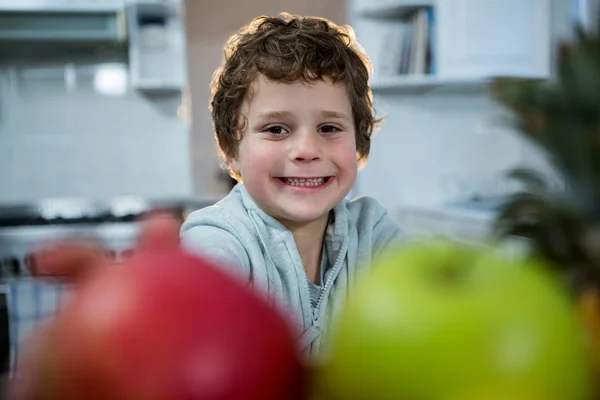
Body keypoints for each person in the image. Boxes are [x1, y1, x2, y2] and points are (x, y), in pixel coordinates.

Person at [179, 13, 404, 359]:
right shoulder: (218, 236)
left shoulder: (372, 231)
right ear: (231, 150)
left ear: (358, 142)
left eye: (329, 128)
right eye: (276, 129)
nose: (307, 151)